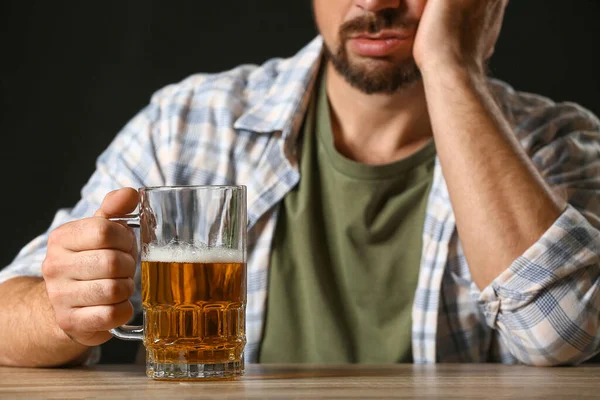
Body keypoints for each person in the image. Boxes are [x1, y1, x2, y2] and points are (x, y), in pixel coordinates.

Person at [1, 0, 599, 367]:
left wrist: (451, 66)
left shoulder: (556, 145)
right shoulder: (189, 122)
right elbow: (7, 315)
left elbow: (562, 335)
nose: (375, 1)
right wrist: (64, 312)